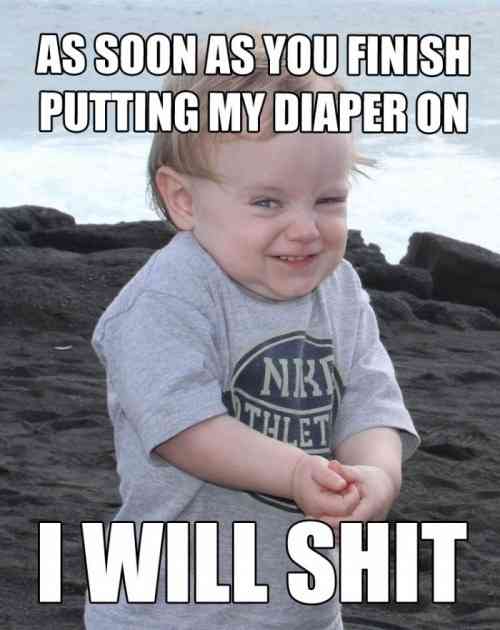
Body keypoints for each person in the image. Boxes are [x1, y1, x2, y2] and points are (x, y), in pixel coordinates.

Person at [84, 32, 420, 630]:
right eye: (267, 203)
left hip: (303, 608)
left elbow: (370, 403)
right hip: (171, 612)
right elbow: (185, 430)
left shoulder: (339, 288)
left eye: (328, 200)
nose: (305, 229)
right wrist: (294, 473)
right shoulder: (164, 302)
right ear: (183, 200)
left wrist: (377, 474)